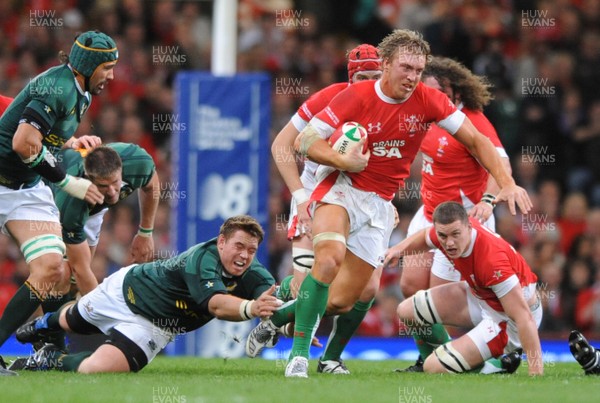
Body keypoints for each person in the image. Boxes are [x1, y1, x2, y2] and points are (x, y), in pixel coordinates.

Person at [247, 29, 531, 378]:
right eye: (406, 67)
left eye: (418, 69)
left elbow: (477, 140)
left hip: (379, 203)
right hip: (340, 188)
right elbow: (305, 141)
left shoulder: (428, 100)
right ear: (385, 65)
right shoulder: (356, 96)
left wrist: (508, 183)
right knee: (328, 260)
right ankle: (299, 358)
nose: (412, 77)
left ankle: (278, 317)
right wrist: (345, 164)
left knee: (341, 300)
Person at [15, 215, 282, 373]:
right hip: (125, 291)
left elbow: (272, 306)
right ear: (221, 242)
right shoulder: (202, 259)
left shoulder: (254, 272)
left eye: (251, 250)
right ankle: (42, 325)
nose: (244, 255)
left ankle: (50, 359)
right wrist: (251, 308)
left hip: (154, 326)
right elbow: (216, 305)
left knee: (96, 370)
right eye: (239, 246)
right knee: (73, 320)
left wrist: (291, 322)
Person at [0, 30, 118, 374]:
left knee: (53, 270)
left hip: (25, 189)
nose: (111, 75)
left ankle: (45, 347)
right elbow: (24, 144)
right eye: (107, 67)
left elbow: (44, 133)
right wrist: (68, 182)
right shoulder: (59, 87)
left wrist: (70, 142)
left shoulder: (79, 89)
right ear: (89, 65)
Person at [266, 43, 384, 374]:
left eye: (376, 76)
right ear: (350, 78)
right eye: (363, 76)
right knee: (309, 286)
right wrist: (300, 195)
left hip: (363, 201)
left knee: (366, 289)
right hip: (317, 194)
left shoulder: (390, 106)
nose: (369, 83)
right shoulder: (329, 99)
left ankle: (316, 346)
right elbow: (281, 144)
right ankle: (297, 350)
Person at [399, 56, 512, 372]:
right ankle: (431, 357)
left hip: (461, 221)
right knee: (409, 287)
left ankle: (462, 358)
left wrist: (489, 200)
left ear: (455, 93)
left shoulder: (473, 122)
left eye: (435, 92)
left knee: (436, 300)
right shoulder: (425, 116)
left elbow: (501, 166)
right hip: (429, 213)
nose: (428, 97)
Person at [384, 202, 543, 376]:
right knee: (406, 310)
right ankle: (445, 359)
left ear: (469, 227)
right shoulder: (451, 229)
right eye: (443, 236)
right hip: (482, 297)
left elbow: (524, 317)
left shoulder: (492, 261)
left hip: (507, 321)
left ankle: (492, 366)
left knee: (434, 367)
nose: (449, 243)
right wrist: (397, 250)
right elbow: (425, 236)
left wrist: (536, 372)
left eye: (455, 235)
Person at [55, 143, 160, 296]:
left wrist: (145, 232)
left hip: (94, 204)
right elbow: (80, 270)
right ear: (89, 180)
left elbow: (152, 185)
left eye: (115, 182)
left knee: (74, 283)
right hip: (51, 196)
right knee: (62, 275)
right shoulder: (70, 205)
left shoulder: (138, 161)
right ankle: (41, 319)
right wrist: (104, 315)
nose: (111, 192)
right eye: (103, 186)